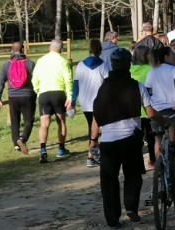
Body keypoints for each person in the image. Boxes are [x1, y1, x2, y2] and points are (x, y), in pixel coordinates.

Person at [89, 48, 167, 228]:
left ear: (112, 65)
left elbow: (96, 117)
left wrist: (93, 141)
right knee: (133, 175)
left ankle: (112, 219)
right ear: (128, 65)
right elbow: (150, 113)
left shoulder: (104, 88)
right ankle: (131, 206)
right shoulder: (136, 85)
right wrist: (166, 121)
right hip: (130, 138)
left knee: (109, 181)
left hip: (108, 140)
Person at [32, 38, 73, 163]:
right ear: (61, 49)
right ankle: (61, 149)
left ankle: (43, 149)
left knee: (44, 123)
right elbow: (68, 80)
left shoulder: (40, 61)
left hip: (44, 93)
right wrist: (70, 96)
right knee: (61, 121)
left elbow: (34, 79)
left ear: (50, 47)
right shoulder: (63, 61)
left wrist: (38, 91)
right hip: (58, 92)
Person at [0, 41, 37, 155]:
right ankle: (22, 139)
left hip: (13, 96)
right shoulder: (30, 63)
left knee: (15, 121)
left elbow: (0, 82)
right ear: (23, 50)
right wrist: (38, 92)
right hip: (28, 95)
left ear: (12, 50)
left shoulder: (6, 65)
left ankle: (16, 145)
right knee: (29, 120)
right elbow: (38, 79)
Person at [72, 39, 109, 167]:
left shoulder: (81, 65)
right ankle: (92, 155)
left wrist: (72, 100)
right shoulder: (104, 65)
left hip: (85, 101)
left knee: (92, 128)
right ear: (100, 50)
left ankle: (93, 154)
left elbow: (76, 84)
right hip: (99, 101)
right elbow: (108, 84)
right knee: (97, 129)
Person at [144, 45, 175, 156]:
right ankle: (171, 164)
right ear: (166, 57)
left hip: (156, 110)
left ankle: (159, 166)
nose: (174, 56)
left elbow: (147, 91)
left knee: (158, 139)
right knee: (172, 140)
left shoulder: (151, 72)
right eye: (171, 54)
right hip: (172, 108)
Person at [130, 45, 156, 171]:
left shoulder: (130, 70)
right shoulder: (151, 70)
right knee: (151, 137)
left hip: (133, 110)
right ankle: (152, 160)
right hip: (148, 108)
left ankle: (137, 163)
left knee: (137, 139)